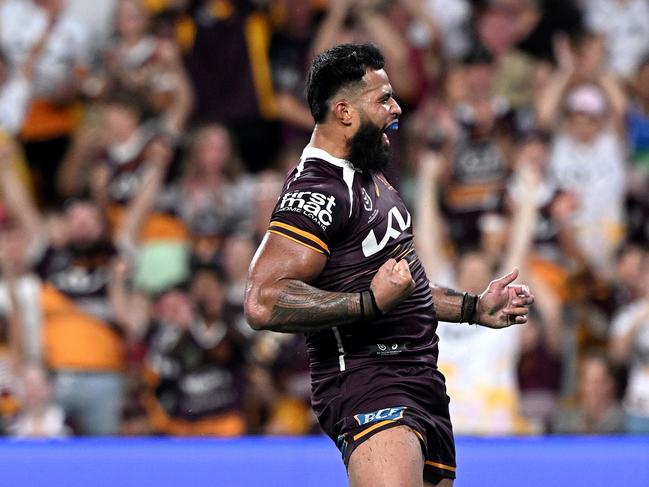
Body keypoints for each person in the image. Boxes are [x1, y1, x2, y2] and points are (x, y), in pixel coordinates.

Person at [244, 43, 534, 487]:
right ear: (344, 112)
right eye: (383, 99)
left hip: (421, 383)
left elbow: (405, 286)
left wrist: (474, 308)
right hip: (369, 384)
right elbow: (262, 301)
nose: (397, 109)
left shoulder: (371, 176)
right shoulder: (316, 191)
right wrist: (366, 303)